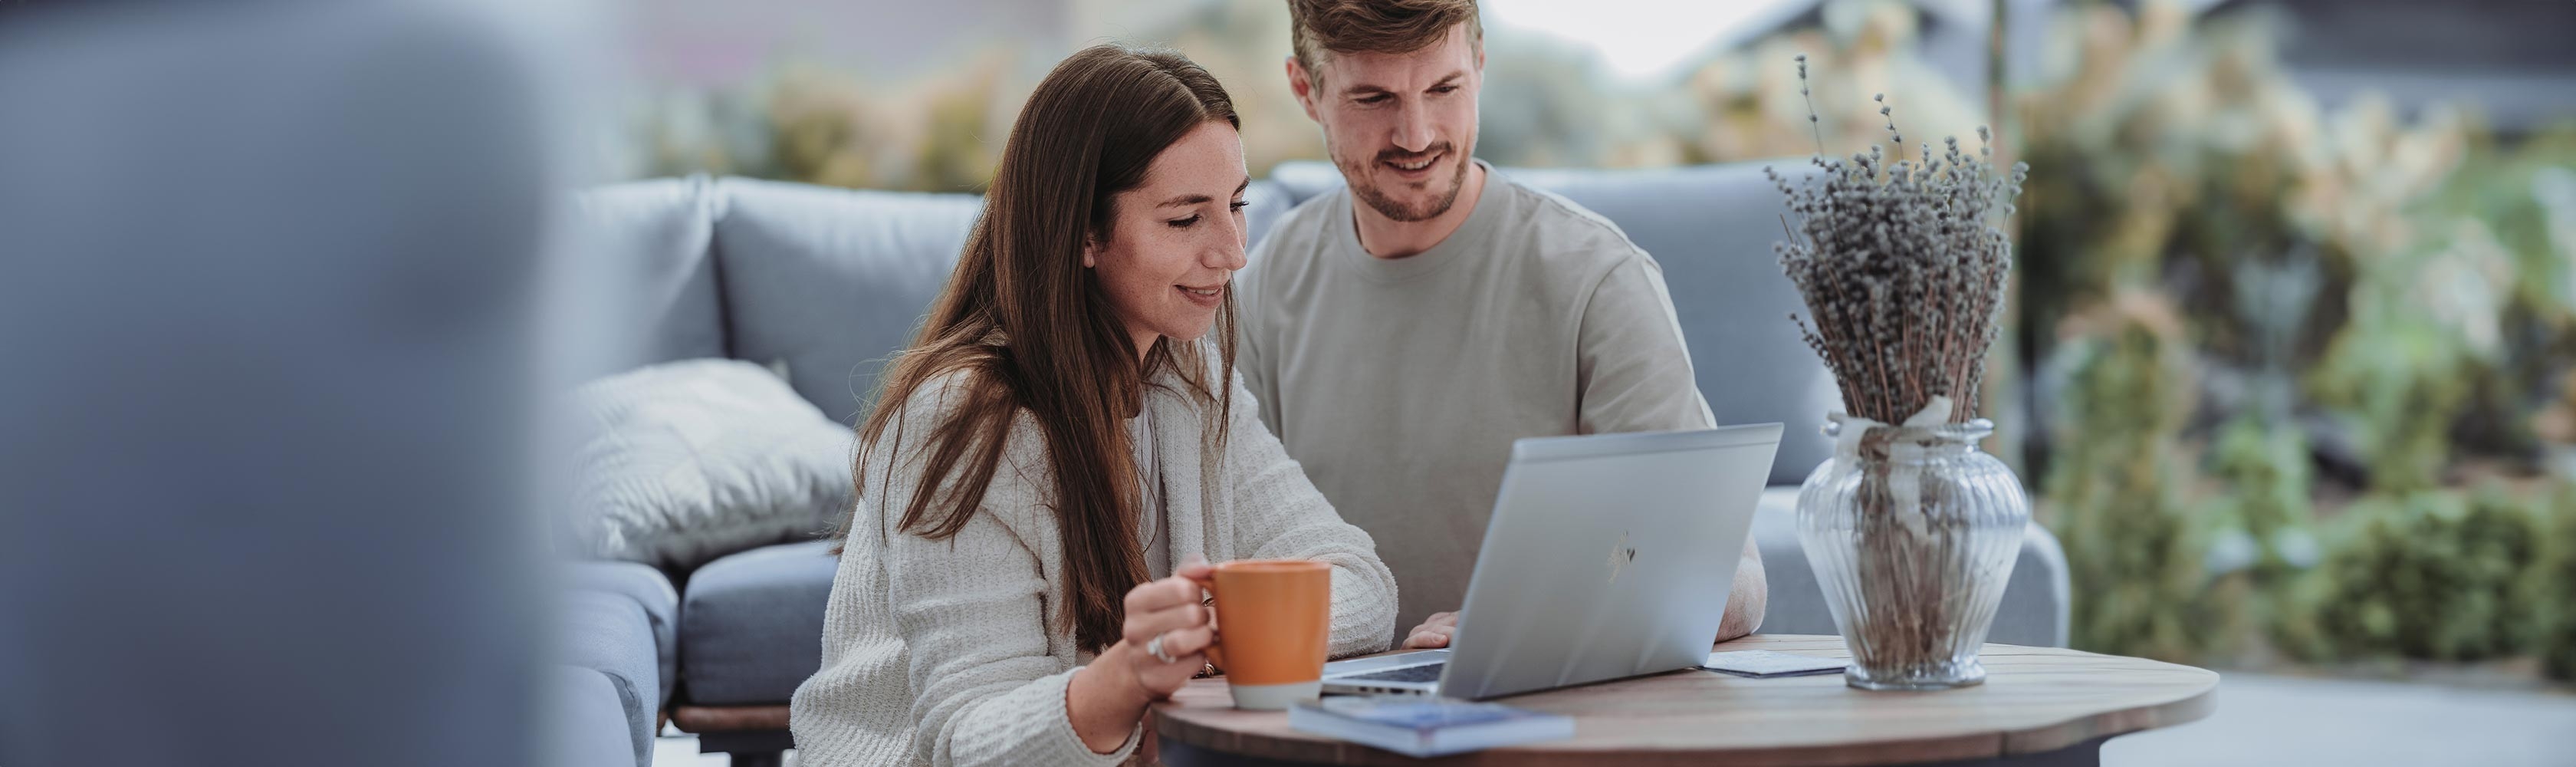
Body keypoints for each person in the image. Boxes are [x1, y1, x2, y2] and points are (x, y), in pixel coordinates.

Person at [788, 45, 1398, 767]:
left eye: (1236, 206)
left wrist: (1202, 627)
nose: (1234, 253)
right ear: (1082, 232)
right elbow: (967, 740)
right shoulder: (959, 421)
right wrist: (1131, 672)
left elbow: (1361, 585)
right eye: (1185, 220)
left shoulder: (1189, 374)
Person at [1236, 0, 1766, 651]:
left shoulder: (1594, 275)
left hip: (1549, 715)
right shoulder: (1264, 286)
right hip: (1331, 722)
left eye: (1444, 88)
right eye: (1374, 98)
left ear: (1480, 65)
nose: (1416, 134)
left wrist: (1541, 625)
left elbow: (1734, 579)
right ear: (1305, 90)